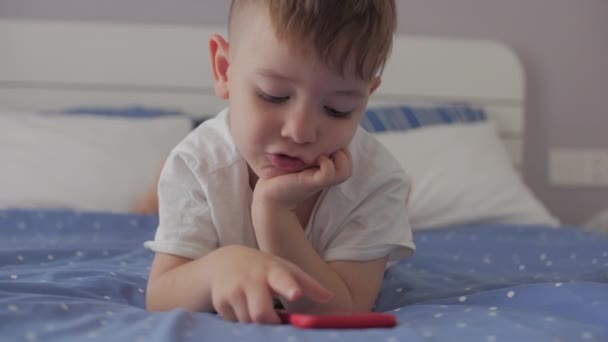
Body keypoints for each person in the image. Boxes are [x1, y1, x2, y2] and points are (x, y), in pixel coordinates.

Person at [143, 0, 415, 324]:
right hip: (208, 175)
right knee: (174, 187)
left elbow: (348, 309)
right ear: (224, 70)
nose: (300, 132)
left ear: (366, 97)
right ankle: (149, 198)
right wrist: (219, 267)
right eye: (273, 95)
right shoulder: (197, 164)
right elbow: (160, 297)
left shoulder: (376, 182)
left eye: (337, 109)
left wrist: (273, 213)